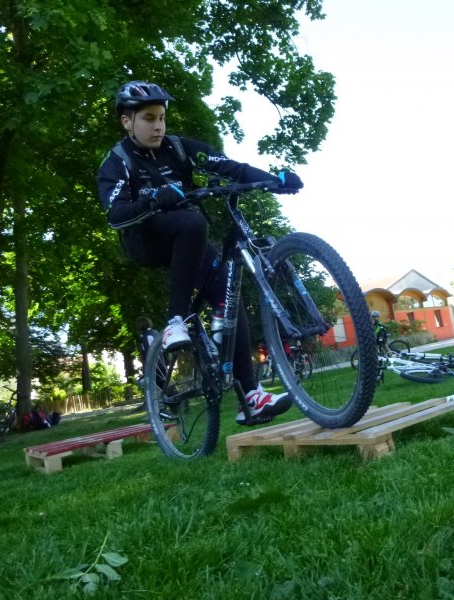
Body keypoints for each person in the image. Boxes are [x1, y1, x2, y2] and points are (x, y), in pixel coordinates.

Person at [98, 81, 302, 425]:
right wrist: (152, 199)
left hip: (190, 242)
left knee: (228, 297)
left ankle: (250, 397)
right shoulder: (117, 162)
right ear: (127, 122)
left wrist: (274, 179)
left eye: (161, 117)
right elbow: (115, 215)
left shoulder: (179, 148)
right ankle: (174, 322)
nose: (158, 125)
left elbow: (229, 167)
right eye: (148, 118)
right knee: (192, 223)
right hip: (146, 240)